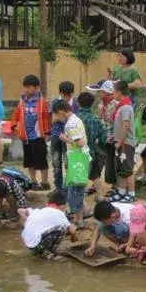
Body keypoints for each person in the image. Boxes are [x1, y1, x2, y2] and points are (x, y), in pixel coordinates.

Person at [51, 99, 89, 227]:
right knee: (68, 188)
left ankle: (79, 220)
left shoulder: (70, 125)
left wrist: (64, 138)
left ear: (62, 112)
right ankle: (85, 211)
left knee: (75, 190)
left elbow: (80, 143)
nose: (56, 118)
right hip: (79, 159)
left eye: (56, 114)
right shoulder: (75, 120)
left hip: (77, 161)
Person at [10, 75, 50, 190]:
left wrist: (47, 132)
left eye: (29, 87)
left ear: (37, 87)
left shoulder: (42, 102)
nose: (27, 89)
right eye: (25, 87)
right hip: (26, 137)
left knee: (41, 160)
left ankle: (45, 182)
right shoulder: (22, 101)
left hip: (38, 136)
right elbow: (16, 114)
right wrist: (13, 124)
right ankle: (33, 181)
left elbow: (46, 117)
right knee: (29, 161)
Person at [18, 190, 76, 261]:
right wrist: (74, 232)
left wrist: (26, 222)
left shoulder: (38, 211)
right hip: (36, 244)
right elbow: (72, 230)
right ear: (62, 206)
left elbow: (20, 210)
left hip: (28, 244)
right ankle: (47, 253)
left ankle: (41, 250)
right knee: (62, 228)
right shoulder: (59, 213)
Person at [96, 80, 129, 193]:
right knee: (105, 160)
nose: (99, 94)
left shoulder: (115, 104)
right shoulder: (102, 104)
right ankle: (108, 183)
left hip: (112, 137)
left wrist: (117, 138)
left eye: (101, 91)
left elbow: (117, 122)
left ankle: (116, 186)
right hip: (104, 137)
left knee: (113, 161)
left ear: (107, 92)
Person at [75, 92, 106, 203]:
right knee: (94, 175)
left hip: (76, 151)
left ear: (78, 103)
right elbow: (103, 137)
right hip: (90, 151)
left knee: (77, 175)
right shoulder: (95, 119)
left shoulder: (75, 119)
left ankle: (79, 201)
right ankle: (101, 197)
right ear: (92, 104)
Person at [48, 81, 79, 193]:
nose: (65, 98)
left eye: (68, 95)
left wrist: (60, 116)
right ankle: (58, 188)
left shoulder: (75, 104)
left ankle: (67, 187)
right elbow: (53, 119)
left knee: (67, 163)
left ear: (72, 93)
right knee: (56, 163)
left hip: (68, 137)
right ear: (60, 93)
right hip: (56, 135)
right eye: (63, 95)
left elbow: (73, 120)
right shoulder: (55, 101)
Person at [111, 80, 137, 203]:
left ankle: (131, 193)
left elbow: (125, 125)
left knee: (127, 169)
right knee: (120, 169)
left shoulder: (126, 107)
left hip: (125, 143)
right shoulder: (121, 106)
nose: (113, 93)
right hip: (120, 143)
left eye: (114, 91)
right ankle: (121, 191)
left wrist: (119, 142)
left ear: (119, 92)